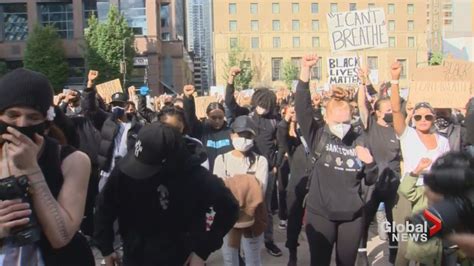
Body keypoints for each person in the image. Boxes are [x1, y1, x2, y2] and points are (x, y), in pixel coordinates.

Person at [94, 122, 239, 266]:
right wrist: (106, 247)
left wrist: (202, 251)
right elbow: (104, 205)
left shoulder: (195, 176)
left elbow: (229, 208)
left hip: (182, 257)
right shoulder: (127, 168)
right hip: (134, 256)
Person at [0, 68, 93, 265]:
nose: (21, 124)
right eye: (12, 115)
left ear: (46, 122)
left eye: (33, 117)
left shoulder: (73, 160)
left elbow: (61, 236)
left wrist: (32, 169)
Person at [295, 55, 379, 266]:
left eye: (346, 121)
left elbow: (370, 179)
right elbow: (302, 108)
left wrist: (370, 163)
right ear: (326, 118)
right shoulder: (318, 136)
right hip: (320, 214)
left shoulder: (359, 138)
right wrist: (305, 71)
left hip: (352, 217)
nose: (342, 125)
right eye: (337, 121)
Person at [390, 61, 451, 265]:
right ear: (413, 118)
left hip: (433, 197)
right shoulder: (407, 135)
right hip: (409, 194)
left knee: (429, 246)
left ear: (434, 118)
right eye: (418, 116)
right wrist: (395, 80)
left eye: (427, 116)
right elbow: (396, 111)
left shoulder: (443, 141)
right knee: (406, 247)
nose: (423, 119)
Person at [225, 67, 282, 257]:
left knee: (265, 207)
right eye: (260, 104)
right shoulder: (246, 115)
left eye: (266, 105)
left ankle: (269, 240)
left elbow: (281, 144)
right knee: (242, 205)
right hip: (245, 167)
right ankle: (240, 244)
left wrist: (275, 163)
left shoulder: (275, 120)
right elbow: (230, 103)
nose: (262, 108)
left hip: (268, 170)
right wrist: (231, 80)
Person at [356, 68, 402, 265]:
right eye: (389, 111)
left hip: (393, 182)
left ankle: (393, 254)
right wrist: (362, 82)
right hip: (372, 182)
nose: (392, 113)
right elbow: (361, 104)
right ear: (378, 112)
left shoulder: (398, 129)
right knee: (365, 220)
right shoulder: (370, 125)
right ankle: (362, 255)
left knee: (393, 222)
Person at [213, 116, 269, 266]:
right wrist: (249, 185)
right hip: (228, 219)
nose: (244, 139)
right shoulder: (221, 160)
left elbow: (260, 192)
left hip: (253, 217)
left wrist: (232, 185)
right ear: (232, 135)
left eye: (248, 136)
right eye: (240, 134)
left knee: (253, 259)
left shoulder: (260, 161)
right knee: (230, 259)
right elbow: (218, 192)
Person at [182, 85, 233, 171]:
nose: (217, 121)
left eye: (220, 117)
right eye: (213, 117)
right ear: (207, 116)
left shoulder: (230, 132)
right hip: (206, 177)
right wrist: (188, 98)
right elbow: (190, 117)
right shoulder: (201, 130)